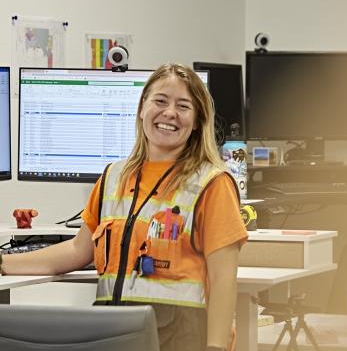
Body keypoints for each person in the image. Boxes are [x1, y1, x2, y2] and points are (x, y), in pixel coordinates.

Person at [0, 63, 248, 351]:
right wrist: (3, 263)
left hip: (178, 339)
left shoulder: (212, 183)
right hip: (111, 334)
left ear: (196, 122)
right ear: (142, 108)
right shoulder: (113, 177)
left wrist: (216, 348)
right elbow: (77, 251)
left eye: (183, 106)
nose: (169, 113)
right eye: (160, 101)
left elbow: (223, 281)